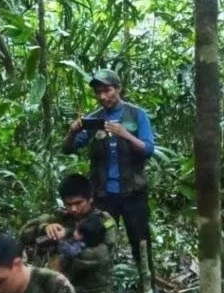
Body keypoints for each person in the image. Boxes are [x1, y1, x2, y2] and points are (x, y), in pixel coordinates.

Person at [63, 69, 156, 277]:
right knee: (98, 240)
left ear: (118, 88)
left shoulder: (137, 115)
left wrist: (125, 134)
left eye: (107, 90)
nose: (103, 96)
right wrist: (72, 132)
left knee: (140, 241)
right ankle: (101, 284)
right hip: (103, 195)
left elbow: (148, 149)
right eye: (99, 92)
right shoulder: (94, 119)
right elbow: (68, 149)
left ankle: (148, 286)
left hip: (133, 193)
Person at [19, 174, 120, 293]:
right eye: (68, 204)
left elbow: (102, 256)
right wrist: (45, 227)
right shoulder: (60, 217)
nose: (73, 209)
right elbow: (25, 234)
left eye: (78, 203)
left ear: (90, 199)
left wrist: (66, 245)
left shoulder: (104, 221)